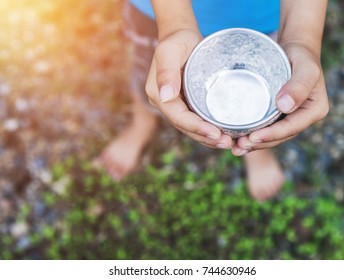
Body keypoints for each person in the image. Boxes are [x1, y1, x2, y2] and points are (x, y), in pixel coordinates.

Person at [100, 0, 329, 201]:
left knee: (272, 94)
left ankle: (254, 143)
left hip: (265, 17)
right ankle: (142, 123)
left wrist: (302, 38)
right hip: (158, 13)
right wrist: (174, 24)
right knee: (156, 78)